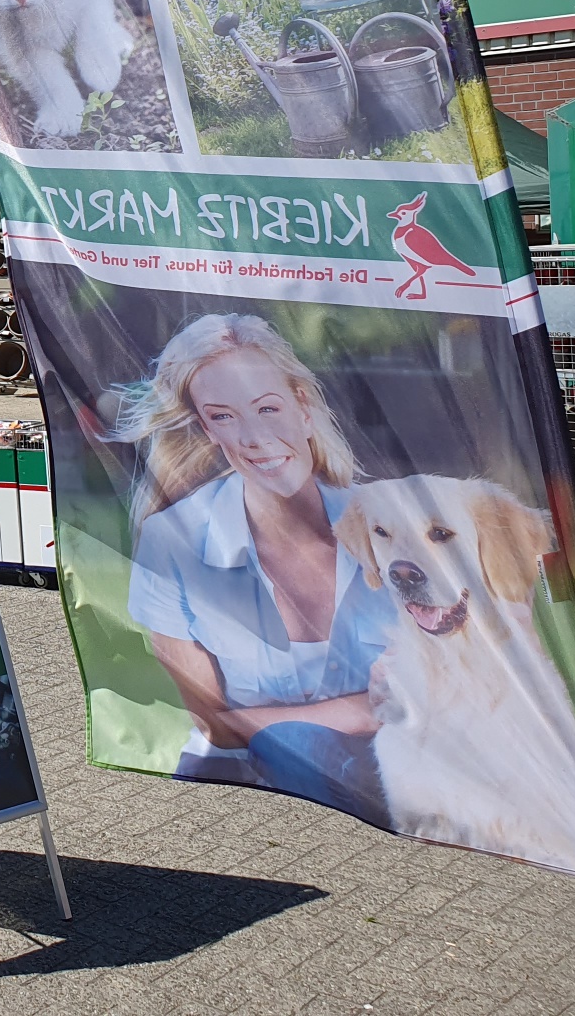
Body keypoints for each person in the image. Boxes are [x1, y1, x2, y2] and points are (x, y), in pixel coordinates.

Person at [125, 313, 393, 823]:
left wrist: (258, 718)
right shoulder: (171, 540)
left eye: (268, 407)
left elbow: (453, 693)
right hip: (248, 809)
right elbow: (216, 725)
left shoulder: (400, 527)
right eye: (223, 416)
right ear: (206, 428)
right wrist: (365, 709)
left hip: (404, 793)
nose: (252, 436)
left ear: (305, 408)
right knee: (293, 742)